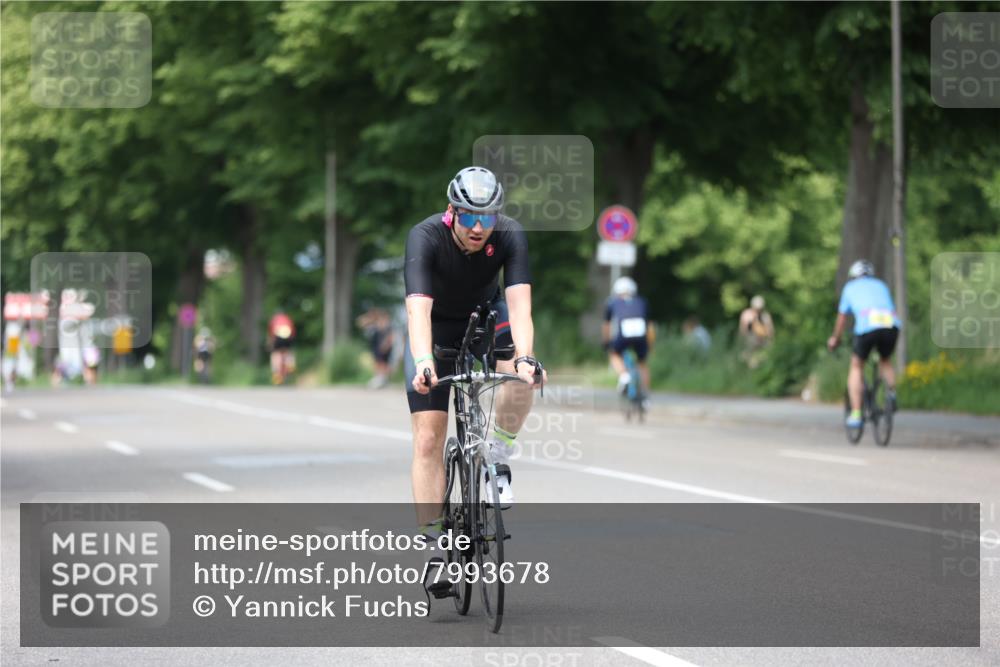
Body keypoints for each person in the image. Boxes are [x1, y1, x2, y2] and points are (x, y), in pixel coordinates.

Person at [404, 166, 544, 597]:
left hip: (487, 318)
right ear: (453, 212)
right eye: (469, 217)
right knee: (429, 439)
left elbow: (520, 308)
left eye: (487, 217)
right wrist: (425, 362)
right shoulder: (425, 237)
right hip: (438, 328)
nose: (479, 227)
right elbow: (418, 312)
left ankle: (497, 457)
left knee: (524, 379)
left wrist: (524, 358)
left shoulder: (509, 234)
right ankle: (432, 546)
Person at [827, 259, 900, 427]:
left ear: (853, 276)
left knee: (856, 366)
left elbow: (842, 318)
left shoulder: (850, 288)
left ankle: (856, 413)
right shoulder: (881, 285)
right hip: (891, 325)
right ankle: (891, 394)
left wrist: (835, 339)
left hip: (868, 326)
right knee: (885, 359)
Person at [602, 276, 652, 404]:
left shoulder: (612, 301)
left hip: (624, 333)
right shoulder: (642, 301)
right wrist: (650, 344)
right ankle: (646, 396)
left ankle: (624, 376)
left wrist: (606, 342)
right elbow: (650, 326)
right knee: (642, 363)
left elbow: (607, 325)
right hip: (641, 333)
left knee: (614, 354)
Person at [356, 308, 394, 389]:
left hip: (383, 347)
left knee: (383, 363)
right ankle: (379, 378)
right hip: (377, 346)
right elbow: (360, 322)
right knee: (378, 362)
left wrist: (386, 345)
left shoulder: (386, 325)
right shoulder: (375, 323)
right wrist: (370, 318)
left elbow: (389, 336)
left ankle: (383, 379)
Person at [738, 294, 774, 367]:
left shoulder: (765, 316)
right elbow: (743, 329)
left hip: (763, 341)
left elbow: (770, 331)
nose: (758, 310)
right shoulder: (747, 314)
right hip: (750, 340)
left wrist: (769, 338)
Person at [267, 310, 296, 385]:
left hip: (277, 337)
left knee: (276, 353)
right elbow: (293, 332)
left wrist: (270, 344)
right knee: (288, 351)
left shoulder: (274, 319)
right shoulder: (287, 319)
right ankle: (290, 364)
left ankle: (276, 372)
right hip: (288, 335)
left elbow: (271, 334)